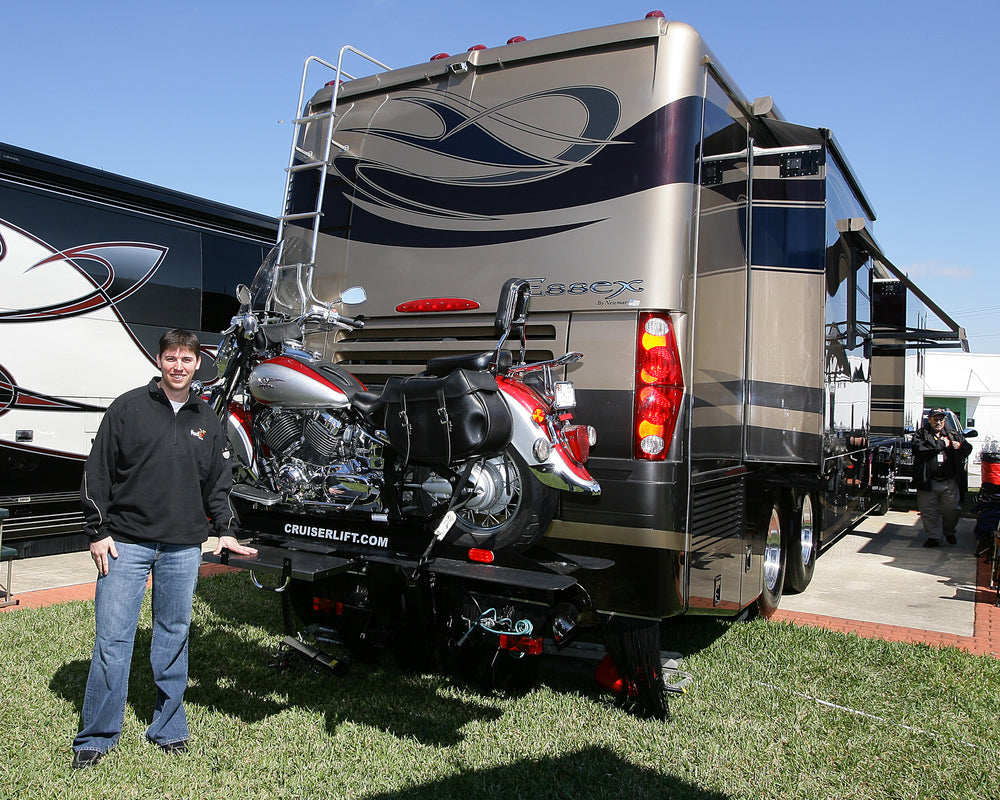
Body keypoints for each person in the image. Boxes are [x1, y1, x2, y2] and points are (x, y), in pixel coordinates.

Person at [71, 329, 257, 770]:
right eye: (171, 358)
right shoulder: (128, 408)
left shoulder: (207, 420)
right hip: (125, 545)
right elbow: (96, 472)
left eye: (186, 359)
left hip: (182, 549)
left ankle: (168, 727)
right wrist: (98, 531)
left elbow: (218, 483)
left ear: (198, 365)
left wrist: (226, 529)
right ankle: (97, 735)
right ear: (159, 361)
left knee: (173, 637)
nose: (178, 366)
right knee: (112, 641)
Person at [912, 407, 972, 548]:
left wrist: (960, 447)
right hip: (928, 481)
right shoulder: (921, 434)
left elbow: (967, 448)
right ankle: (934, 537)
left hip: (949, 481)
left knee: (952, 510)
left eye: (941, 419)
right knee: (929, 511)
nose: (938, 422)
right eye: (935, 419)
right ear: (929, 419)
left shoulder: (953, 434)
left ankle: (949, 531)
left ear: (944, 420)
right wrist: (940, 444)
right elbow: (918, 449)